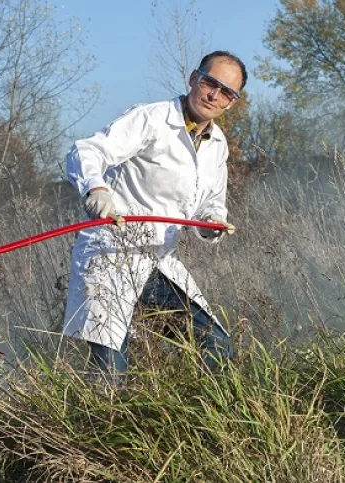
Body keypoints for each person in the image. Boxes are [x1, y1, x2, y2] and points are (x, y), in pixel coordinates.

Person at [62, 51, 246, 376]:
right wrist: (96, 189)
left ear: (232, 102)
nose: (214, 95)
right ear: (194, 79)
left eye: (226, 92)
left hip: (159, 265)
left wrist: (212, 224)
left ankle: (204, 422)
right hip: (111, 257)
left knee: (216, 345)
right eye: (209, 83)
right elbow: (87, 150)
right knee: (111, 376)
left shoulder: (217, 143)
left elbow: (211, 204)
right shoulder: (151, 119)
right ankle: (96, 420)